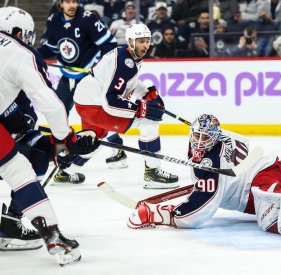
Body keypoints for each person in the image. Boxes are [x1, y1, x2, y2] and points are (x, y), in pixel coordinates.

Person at [127, 114, 281, 237]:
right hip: (259, 183)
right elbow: (244, 143)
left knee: (272, 214)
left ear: (215, 137)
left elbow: (202, 210)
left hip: (261, 181)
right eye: (196, 136)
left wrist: (166, 215)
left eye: (205, 137)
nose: (199, 142)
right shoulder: (223, 137)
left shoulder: (208, 163)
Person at [0, 7, 99, 265]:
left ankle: (9, 223)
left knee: (37, 155)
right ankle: (53, 237)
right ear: (20, 33)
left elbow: (20, 124)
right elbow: (53, 106)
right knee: (20, 171)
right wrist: (65, 140)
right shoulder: (20, 53)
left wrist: (51, 144)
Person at [73, 23, 179, 189]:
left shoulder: (128, 56)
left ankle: (66, 170)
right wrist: (140, 108)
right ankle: (153, 171)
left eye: (147, 41)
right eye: (141, 41)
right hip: (95, 104)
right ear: (131, 41)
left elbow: (126, 83)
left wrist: (146, 93)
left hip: (87, 99)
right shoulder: (124, 62)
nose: (145, 45)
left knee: (93, 139)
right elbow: (110, 101)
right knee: (148, 121)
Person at [37, 0, 118, 184]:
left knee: (92, 119)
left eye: (74, 1)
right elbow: (50, 48)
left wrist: (102, 68)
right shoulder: (53, 20)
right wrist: (33, 55)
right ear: (61, 4)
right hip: (68, 75)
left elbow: (109, 44)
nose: (71, 5)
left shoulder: (88, 19)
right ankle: (61, 155)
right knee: (58, 111)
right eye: (67, 1)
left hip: (87, 75)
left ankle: (116, 147)